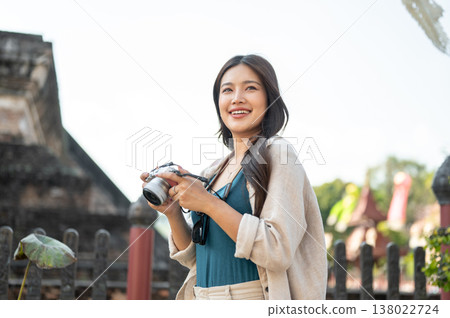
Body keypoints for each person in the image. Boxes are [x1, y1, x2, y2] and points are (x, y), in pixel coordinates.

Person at [140, 54, 327, 300]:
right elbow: (200, 258)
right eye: (227, 90)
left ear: (270, 98)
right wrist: (173, 211)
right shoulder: (213, 172)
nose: (237, 98)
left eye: (250, 88)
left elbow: (277, 250)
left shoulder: (279, 154)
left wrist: (207, 202)